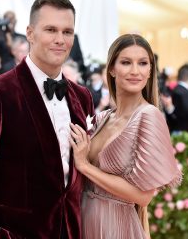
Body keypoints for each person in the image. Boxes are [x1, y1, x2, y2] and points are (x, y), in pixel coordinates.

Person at [0, 0, 94, 239]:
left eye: (67, 32)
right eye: (50, 29)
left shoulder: (82, 97)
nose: (60, 39)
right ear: (29, 33)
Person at [69, 34, 182, 239]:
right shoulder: (103, 118)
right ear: (111, 69)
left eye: (142, 63)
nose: (135, 71)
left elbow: (143, 196)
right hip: (84, 220)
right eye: (126, 62)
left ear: (150, 71)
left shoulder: (149, 116)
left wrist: (85, 166)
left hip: (116, 226)